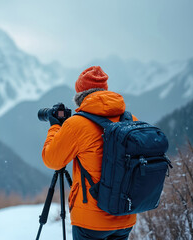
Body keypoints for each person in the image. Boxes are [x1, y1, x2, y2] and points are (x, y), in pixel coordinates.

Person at [42, 66, 137, 240]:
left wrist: (55, 127)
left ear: (80, 95)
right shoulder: (130, 120)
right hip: (125, 214)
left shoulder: (77, 124)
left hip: (91, 221)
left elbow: (52, 160)